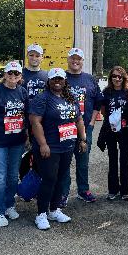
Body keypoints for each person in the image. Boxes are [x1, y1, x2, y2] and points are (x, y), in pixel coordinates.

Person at [29, 67, 87, 230]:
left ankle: (54, 209)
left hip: (67, 145)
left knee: (61, 178)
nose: (57, 81)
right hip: (50, 147)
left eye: (60, 78)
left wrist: (82, 139)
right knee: (49, 179)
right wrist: (43, 144)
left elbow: (79, 119)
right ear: (49, 81)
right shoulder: (43, 98)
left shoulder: (71, 97)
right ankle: (41, 213)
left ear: (64, 80)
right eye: (54, 79)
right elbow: (35, 122)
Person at [0, 60, 29, 227]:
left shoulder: (23, 92)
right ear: (4, 74)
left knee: (12, 175)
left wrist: (28, 136)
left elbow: (26, 116)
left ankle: (9, 205)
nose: (13, 76)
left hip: (17, 141)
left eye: (16, 74)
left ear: (20, 76)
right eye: (10, 73)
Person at [64, 47, 102, 203]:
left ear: (82, 61)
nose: (75, 61)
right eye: (73, 58)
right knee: (64, 163)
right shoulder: (61, 77)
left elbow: (98, 102)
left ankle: (83, 190)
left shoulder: (90, 79)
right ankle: (62, 193)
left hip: (85, 128)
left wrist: (92, 123)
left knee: (83, 161)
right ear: (68, 60)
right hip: (64, 128)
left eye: (78, 59)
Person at [101, 65, 128, 200]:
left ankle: (125, 190)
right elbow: (103, 110)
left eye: (120, 76)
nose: (117, 79)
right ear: (110, 78)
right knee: (112, 159)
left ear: (124, 78)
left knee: (124, 160)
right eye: (114, 76)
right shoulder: (106, 92)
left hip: (125, 130)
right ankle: (113, 190)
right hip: (111, 130)